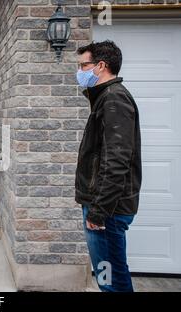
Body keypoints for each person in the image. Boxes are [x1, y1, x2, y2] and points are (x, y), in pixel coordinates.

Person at [75, 41, 142, 292]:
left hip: (108, 209)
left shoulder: (114, 100)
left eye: (84, 65)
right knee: (112, 273)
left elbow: (116, 161)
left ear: (101, 66)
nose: (79, 71)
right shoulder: (106, 98)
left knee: (110, 277)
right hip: (104, 206)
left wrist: (99, 211)